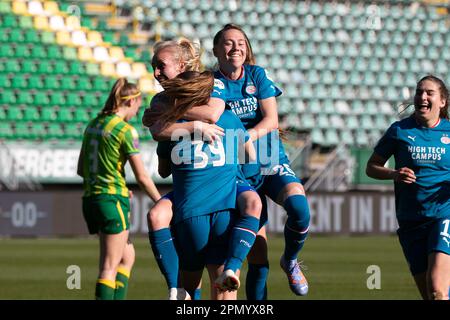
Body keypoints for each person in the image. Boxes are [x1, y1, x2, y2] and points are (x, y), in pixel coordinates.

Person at [143, 38, 263, 299]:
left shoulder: (193, 108)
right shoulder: (227, 116)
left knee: (190, 280)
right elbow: (249, 154)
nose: (155, 73)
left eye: (161, 66)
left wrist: (172, 119)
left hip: (193, 202)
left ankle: (176, 289)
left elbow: (163, 164)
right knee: (220, 282)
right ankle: (228, 269)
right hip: (220, 196)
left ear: (182, 66)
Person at [210, 23, 311, 298]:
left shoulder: (257, 74)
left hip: (270, 158)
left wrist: (244, 136)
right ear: (216, 50)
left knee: (300, 208)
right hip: (238, 169)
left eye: (241, 42)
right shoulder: (211, 82)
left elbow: (272, 120)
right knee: (258, 253)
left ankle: (290, 260)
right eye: (229, 43)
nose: (236, 47)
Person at [366, 75, 450, 300]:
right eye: (419, 92)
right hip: (410, 221)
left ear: (442, 102)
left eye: (429, 93)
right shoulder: (399, 130)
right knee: (431, 295)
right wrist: (394, 173)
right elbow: (371, 167)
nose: (422, 97)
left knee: (437, 289)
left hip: (443, 216)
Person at [77, 78, 161, 300]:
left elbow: (81, 168)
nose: (137, 111)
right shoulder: (125, 130)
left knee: (127, 256)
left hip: (91, 199)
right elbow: (142, 177)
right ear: (131, 101)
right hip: (111, 200)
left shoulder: (93, 124)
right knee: (108, 266)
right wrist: (160, 202)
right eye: (138, 105)